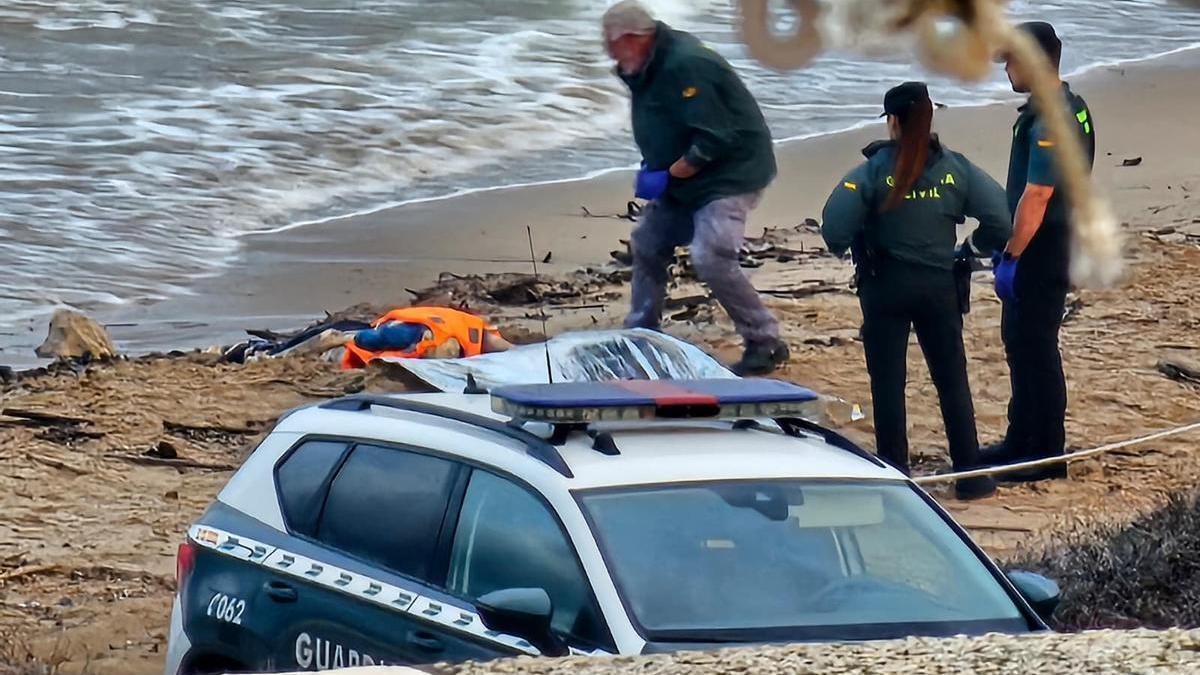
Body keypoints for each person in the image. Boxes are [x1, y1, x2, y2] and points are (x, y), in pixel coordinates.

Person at [821, 82, 1012, 500]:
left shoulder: (872, 172)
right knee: (951, 380)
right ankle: (970, 475)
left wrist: (860, 235)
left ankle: (898, 479)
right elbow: (1000, 219)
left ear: (891, 121)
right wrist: (970, 249)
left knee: (888, 385)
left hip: (885, 288)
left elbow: (833, 229)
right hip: (939, 287)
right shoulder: (955, 169)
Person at [602, 0, 788, 376]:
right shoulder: (644, 65)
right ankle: (641, 333)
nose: (609, 53)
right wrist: (653, 167)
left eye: (612, 44)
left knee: (710, 254)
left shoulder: (686, 64)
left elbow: (714, 139)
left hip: (729, 174)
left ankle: (765, 340)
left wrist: (670, 173)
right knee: (648, 243)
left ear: (635, 38)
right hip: (683, 178)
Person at [984, 22, 1096, 481]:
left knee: (1035, 347)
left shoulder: (1052, 117)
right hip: (1053, 241)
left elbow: (1038, 195)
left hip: (1042, 247)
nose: (1007, 69)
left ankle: (1044, 455)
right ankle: (1021, 439)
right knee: (1021, 342)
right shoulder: (1070, 105)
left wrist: (1010, 257)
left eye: (1010, 60)